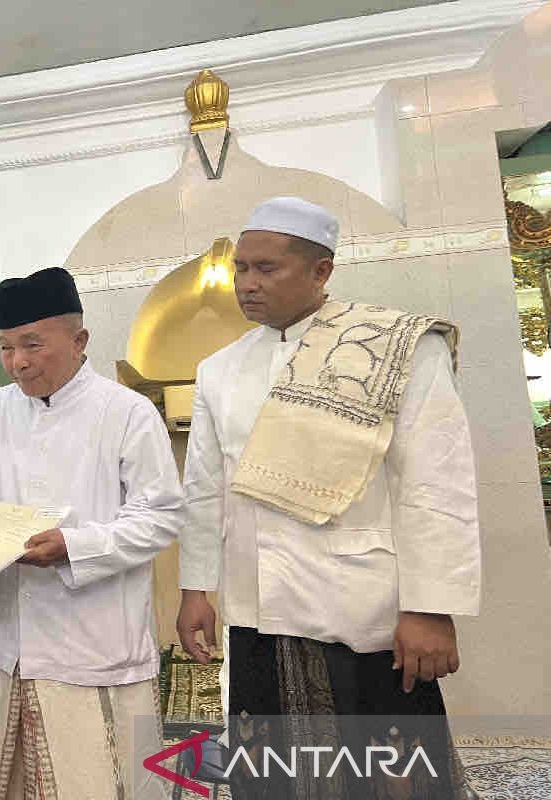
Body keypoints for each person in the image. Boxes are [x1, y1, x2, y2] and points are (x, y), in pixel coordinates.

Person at [175, 197, 481, 798]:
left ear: (321, 272)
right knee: (271, 774)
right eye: (241, 268)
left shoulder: (397, 348)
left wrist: (431, 606)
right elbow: (204, 488)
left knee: (387, 774)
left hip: (360, 604)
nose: (247, 284)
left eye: (266, 269)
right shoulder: (219, 369)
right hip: (256, 607)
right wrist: (195, 588)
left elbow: (436, 481)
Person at [0, 267, 184, 800]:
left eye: (32, 344)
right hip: (10, 637)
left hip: (93, 636)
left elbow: (160, 515)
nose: (17, 362)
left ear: (79, 340)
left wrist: (74, 546)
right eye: (5, 347)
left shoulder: (126, 413)